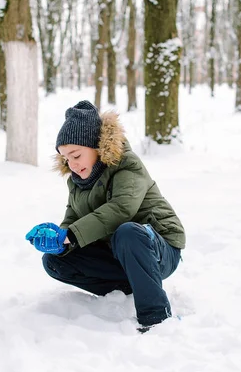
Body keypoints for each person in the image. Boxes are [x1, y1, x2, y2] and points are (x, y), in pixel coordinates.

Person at [25, 100, 185, 332]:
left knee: (128, 232)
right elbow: (73, 218)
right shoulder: (77, 181)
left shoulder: (127, 165)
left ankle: (156, 318)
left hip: (159, 248)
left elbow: (121, 209)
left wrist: (70, 235)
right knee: (55, 262)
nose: (72, 164)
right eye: (66, 158)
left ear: (96, 146)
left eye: (76, 155)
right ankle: (130, 288)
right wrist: (58, 240)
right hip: (119, 253)